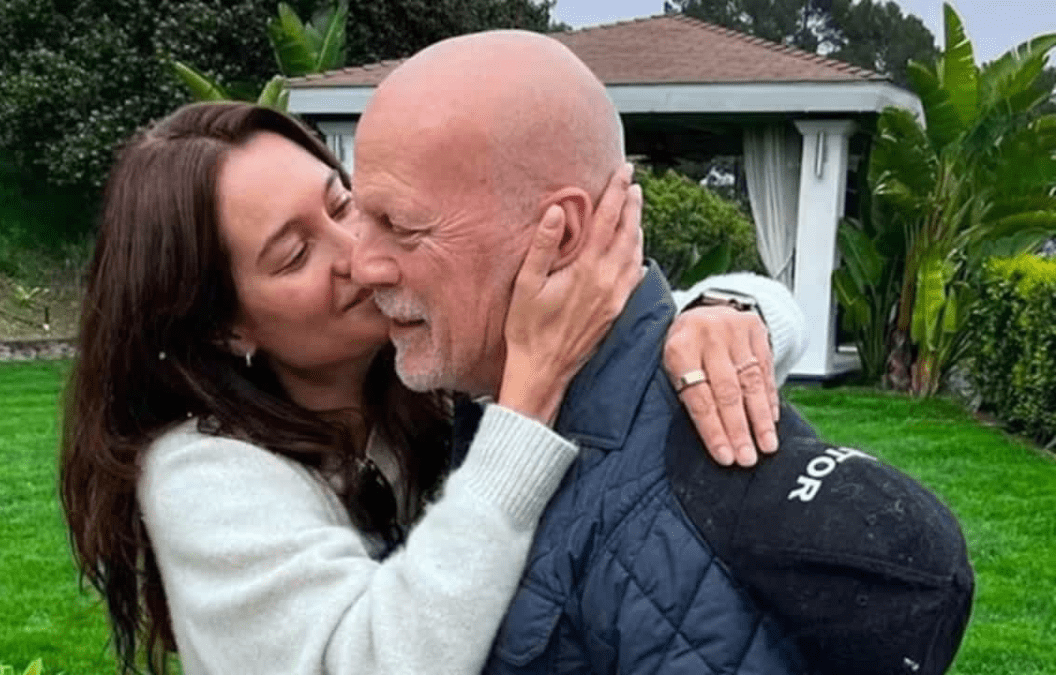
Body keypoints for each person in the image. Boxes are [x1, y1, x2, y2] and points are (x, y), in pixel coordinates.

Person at [59, 102, 806, 675]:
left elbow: (652, 313)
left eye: (342, 203)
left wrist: (721, 314)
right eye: (295, 255)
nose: (359, 253)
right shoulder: (202, 472)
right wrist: (528, 398)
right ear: (224, 329)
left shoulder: (421, 367)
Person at [350, 30, 972, 675]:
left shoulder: (664, 524)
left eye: (401, 226)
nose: (362, 265)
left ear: (561, 234)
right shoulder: (480, 394)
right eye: (357, 216)